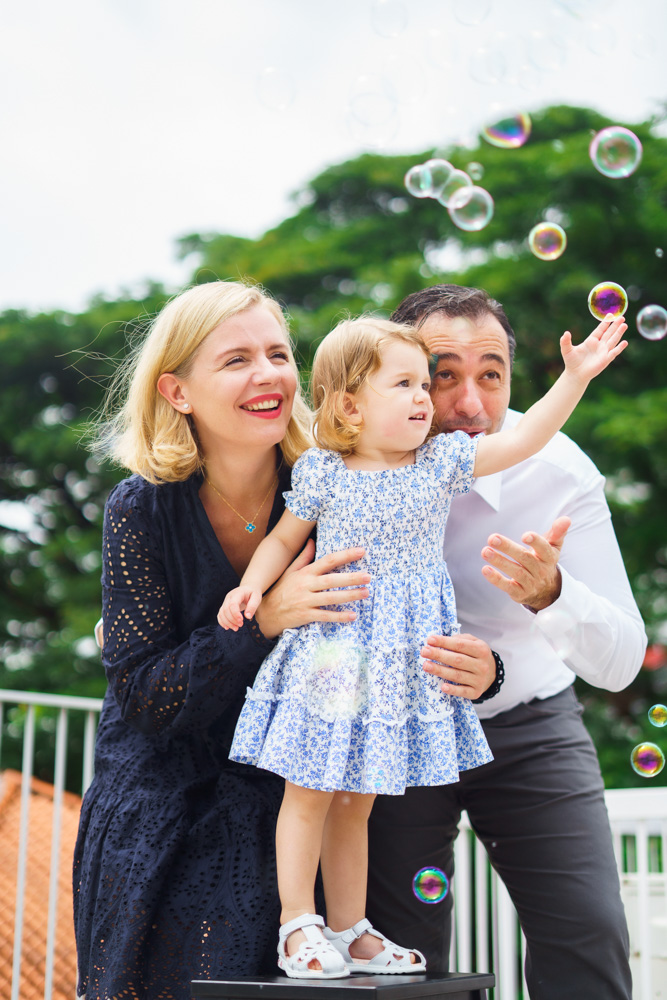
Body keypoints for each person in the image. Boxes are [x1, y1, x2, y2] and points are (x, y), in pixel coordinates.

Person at [217, 312, 627, 980]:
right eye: (411, 383)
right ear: (350, 403)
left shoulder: (440, 462)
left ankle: (351, 930)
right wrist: (252, 590)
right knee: (312, 790)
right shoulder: (324, 470)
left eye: (419, 385)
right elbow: (281, 539)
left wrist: (575, 377)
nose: (424, 400)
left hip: (412, 674)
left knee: (358, 801)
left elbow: (525, 436)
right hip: (334, 657)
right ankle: (300, 925)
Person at [72, 280, 374, 1000]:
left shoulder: (333, 490)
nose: (268, 374)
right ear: (177, 392)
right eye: (236, 359)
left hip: (291, 807)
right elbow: (146, 699)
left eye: (277, 353)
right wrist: (267, 618)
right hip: (156, 811)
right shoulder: (139, 508)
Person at [366, 285, 647, 1000]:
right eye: (442, 372)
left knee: (588, 929)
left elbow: (617, 663)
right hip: (396, 737)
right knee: (396, 952)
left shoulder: (556, 471)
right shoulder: (349, 465)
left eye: (489, 373)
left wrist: (551, 596)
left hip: (529, 723)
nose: (468, 403)